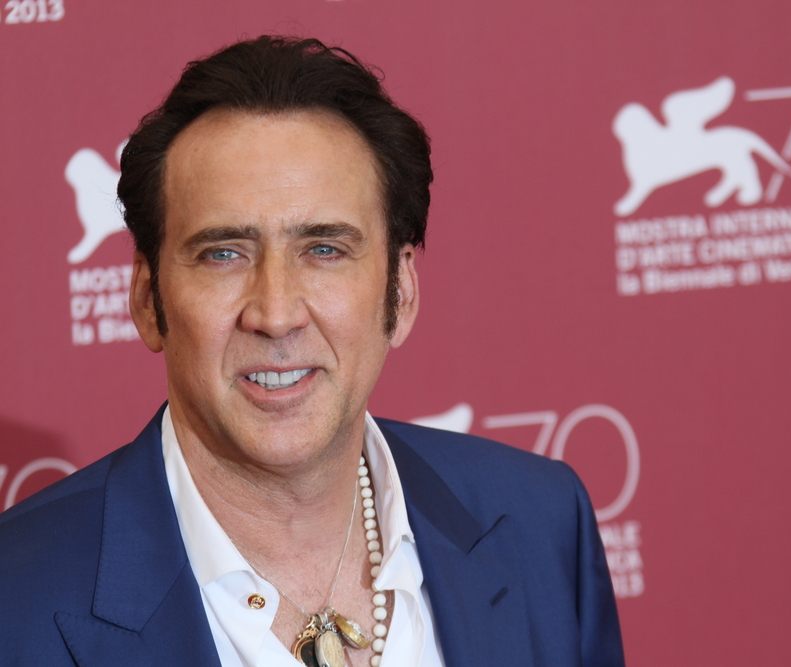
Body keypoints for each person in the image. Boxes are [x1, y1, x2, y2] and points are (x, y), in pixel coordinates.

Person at [0, 36, 624, 666]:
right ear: (146, 298)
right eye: (223, 254)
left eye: (324, 250)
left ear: (401, 291)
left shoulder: (541, 526)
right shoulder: (15, 598)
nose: (275, 315)